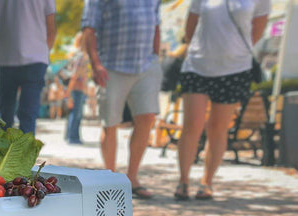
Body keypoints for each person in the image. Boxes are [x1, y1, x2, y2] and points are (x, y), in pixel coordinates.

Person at [174, 0, 271, 200]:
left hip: (234, 68)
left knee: (218, 127)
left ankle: (206, 182)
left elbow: (257, 31)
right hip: (198, 65)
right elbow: (190, 28)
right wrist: (201, 51)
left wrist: (234, 51)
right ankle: (183, 181)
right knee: (192, 123)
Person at [82, 0, 162, 199]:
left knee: (147, 118)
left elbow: (156, 26)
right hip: (110, 66)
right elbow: (89, 30)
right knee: (110, 124)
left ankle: (132, 178)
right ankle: (110, 180)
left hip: (146, 66)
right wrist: (96, 64)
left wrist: (155, 57)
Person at [0, 0, 56, 134]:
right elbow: (51, 29)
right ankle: (24, 154)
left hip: (6, 58)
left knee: (5, 116)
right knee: (28, 116)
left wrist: (6, 37)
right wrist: (43, 50)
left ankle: (5, 154)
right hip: (36, 59)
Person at [65, 32, 90, 144]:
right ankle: (73, 137)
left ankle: (69, 136)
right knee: (77, 113)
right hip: (77, 88)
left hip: (73, 88)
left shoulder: (74, 55)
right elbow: (75, 75)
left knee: (73, 112)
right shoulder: (81, 56)